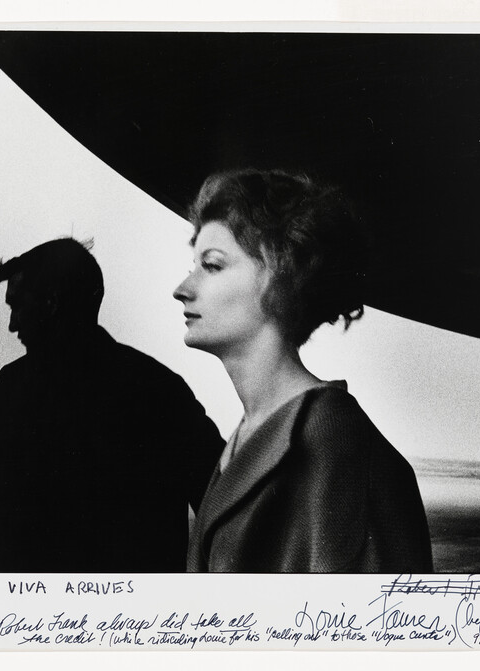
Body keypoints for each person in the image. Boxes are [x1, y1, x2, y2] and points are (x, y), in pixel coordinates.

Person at [0, 237, 223, 572]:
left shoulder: (16, 386)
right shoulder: (161, 388)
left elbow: (1, 507)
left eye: (17, 305)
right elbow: (223, 501)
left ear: (51, 304)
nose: (12, 324)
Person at [174, 168, 433, 573]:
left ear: (284, 276)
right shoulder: (250, 433)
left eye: (212, 265)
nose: (182, 289)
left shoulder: (339, 448)